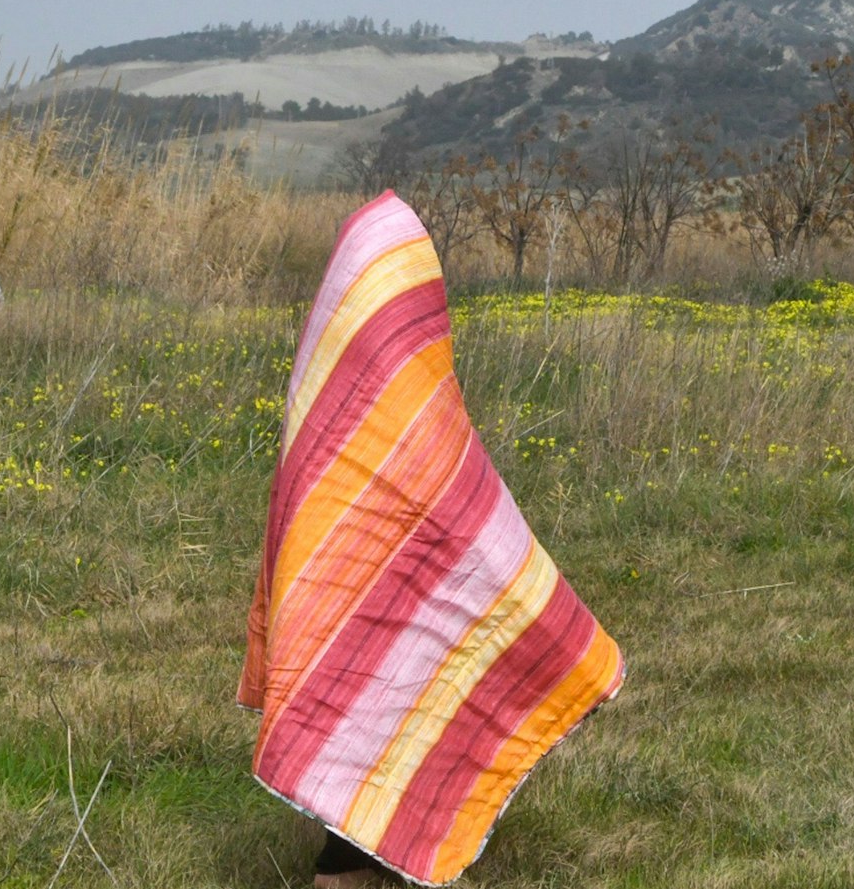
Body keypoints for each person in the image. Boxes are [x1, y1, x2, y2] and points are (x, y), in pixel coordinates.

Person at [239, 191, 625, 887]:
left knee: (377, 677)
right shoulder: (360, 384)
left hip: (342, 576)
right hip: (351, 570)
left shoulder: (340, 373)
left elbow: (452, 491)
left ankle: (353, 853)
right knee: (382, 674)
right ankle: (350, 860)